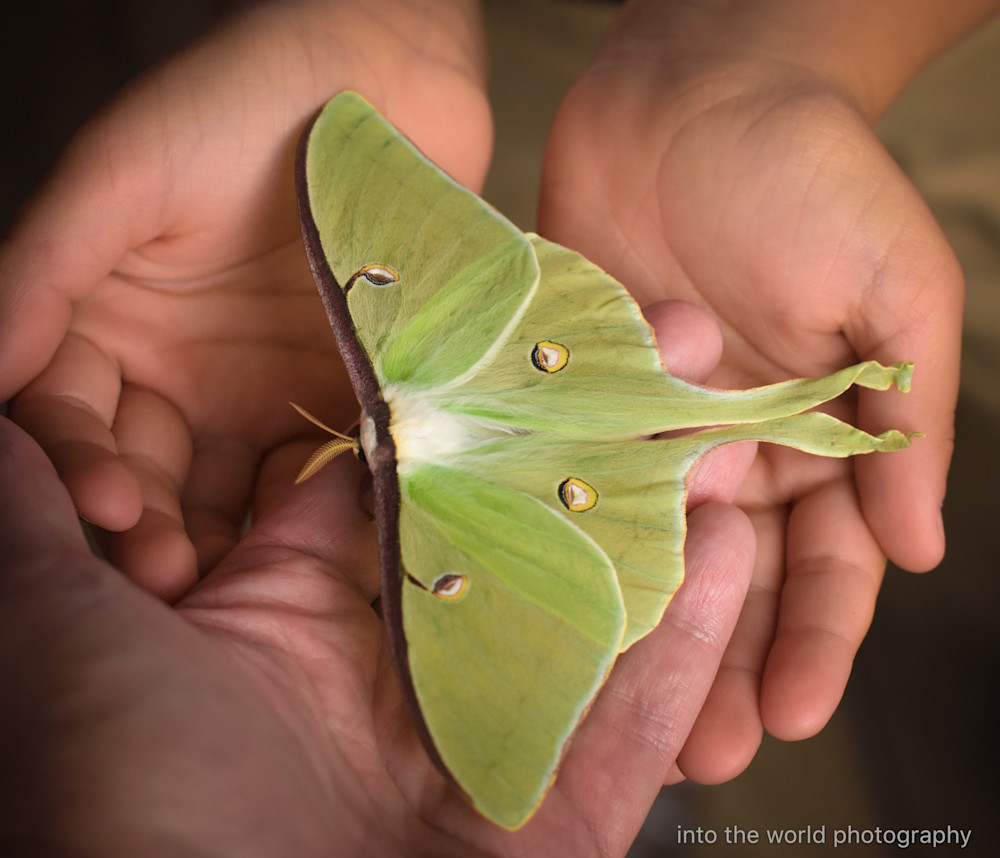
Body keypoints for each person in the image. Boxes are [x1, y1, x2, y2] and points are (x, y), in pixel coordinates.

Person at [0, 0, 993, 853]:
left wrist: (769, 44)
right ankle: (860, 405)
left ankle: (859, 410)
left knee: (707, 420)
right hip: (547, 220)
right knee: (704, 416)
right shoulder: (397, 419)